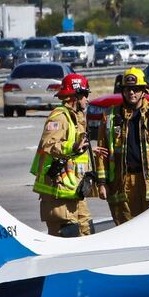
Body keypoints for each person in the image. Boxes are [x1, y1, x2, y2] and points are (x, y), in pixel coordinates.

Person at [96, 67, 149, 225]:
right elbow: (102, 153)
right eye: (127, 89)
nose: (131, 93)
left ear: (144, 91)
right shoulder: (110, 116)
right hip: (120, 184)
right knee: (125, 228)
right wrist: (102, 183)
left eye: (136, 89)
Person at [31, 73, 95, 236]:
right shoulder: (60, 117)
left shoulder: (76, 118)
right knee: (67, 235)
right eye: (85, 95)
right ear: (76, 95)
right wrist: (73, 146)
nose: (87, 100)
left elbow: (73, 149)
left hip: (73, 190)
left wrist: (87, 150)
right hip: (57, 192)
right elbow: (49, 144)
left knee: (87, 231)